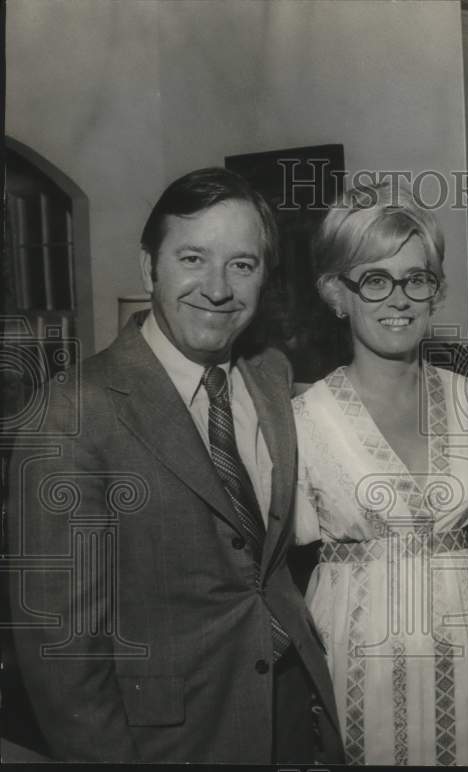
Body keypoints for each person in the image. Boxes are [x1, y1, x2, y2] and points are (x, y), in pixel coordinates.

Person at [6, 168, 344, 763]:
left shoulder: (270, 375)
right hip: (171, 741)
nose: (217, 288)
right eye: (193, 258)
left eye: (242, 264)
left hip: (293, 716)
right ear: (149, 268)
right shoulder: (73, 411)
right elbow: (61, 651)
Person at [292, 182, 468, 766]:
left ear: (435, 291)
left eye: (417, 279)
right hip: (357, 660)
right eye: (376, 279)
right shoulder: (304, 419)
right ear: (339, 293)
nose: (400, 298)